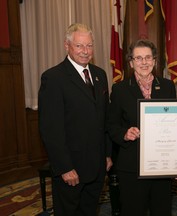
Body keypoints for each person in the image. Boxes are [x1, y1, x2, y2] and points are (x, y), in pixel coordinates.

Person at [38, 23, 112, 216]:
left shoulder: (100, 75)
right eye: (79, 46)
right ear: (67, 46)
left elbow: (104, 120)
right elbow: (51, 129)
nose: (85, 51)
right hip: (72, 170)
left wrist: (107, 154)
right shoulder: (53, 78)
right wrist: (65, 167)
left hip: (97, 167)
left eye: (89, 46)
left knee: (89, 211)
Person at [107, 39, 176, 216]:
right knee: (133, 211)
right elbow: (111, 125)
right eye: (138, 58)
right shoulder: (120, 89)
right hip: (132, 165)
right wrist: (124, 133)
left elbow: (174, 124)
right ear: (131, 62)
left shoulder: (168, 86)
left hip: (162, 164)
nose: (144, 62)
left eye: (147, 58)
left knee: (162, 211)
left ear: (154, 60)